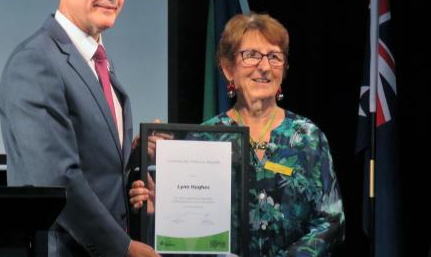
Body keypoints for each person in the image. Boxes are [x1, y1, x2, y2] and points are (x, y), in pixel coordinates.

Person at [0, 0, 158, 257]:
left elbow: (96, 165)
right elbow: (57, 179)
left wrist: (135, 158)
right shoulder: (36, 62)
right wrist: (123, 248)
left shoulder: (98, 60)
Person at [130, 13, 345, 256]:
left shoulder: (308, 137)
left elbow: (332, 222)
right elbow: (188, 235)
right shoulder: (204, 139)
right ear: (228, 68)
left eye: (274, 56)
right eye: (251, 55)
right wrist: (165, 210)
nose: (264, 66)